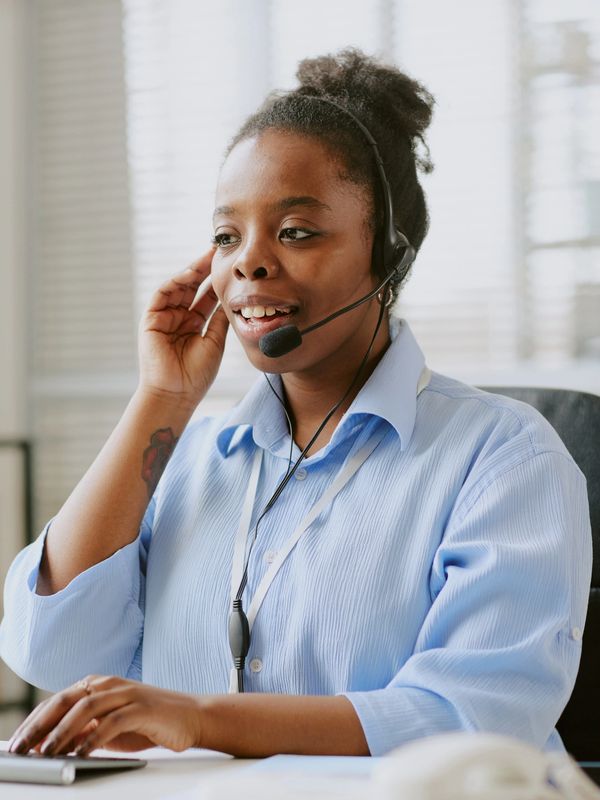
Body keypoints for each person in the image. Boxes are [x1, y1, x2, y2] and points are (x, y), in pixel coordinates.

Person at [0, 49, 592, 760]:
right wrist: (162, 397)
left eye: (296, 232)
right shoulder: (187, 459)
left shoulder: (504, 456)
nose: (248, 261)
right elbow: (47, 650)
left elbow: (475, 717)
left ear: (390, 255)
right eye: (227, 236)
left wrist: (199, 719)